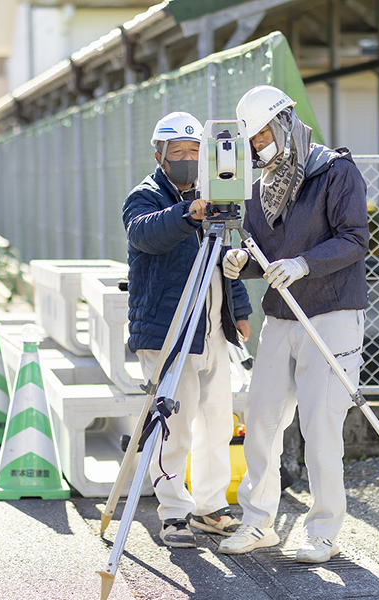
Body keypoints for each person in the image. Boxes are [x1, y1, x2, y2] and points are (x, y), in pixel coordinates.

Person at [218, 85, 369, 563]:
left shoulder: (334, 170)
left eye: (263, 134)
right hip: (281, 315)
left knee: (320, 426)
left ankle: (323, 532)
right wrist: (240, 263)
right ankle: (258, 522)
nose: (258, 145)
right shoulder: (259, 184)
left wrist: (305, 263)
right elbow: (262, 254)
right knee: (261, 419)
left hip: (333, 314)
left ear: (284, 123)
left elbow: (355, 238)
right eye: (252, 138)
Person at [123, 111, 253, 548]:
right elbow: (145, 234)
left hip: (212, 329)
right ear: (159, 156)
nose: (186, 159)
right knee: (173, 428)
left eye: (193, 152)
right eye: (176, 152)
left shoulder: (212, 195)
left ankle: (210, 506)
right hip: (169, 333)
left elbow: (223, 259)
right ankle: (174, 512)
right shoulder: (145, 196)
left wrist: (239, 310)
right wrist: (186, 213)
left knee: (217, 423)